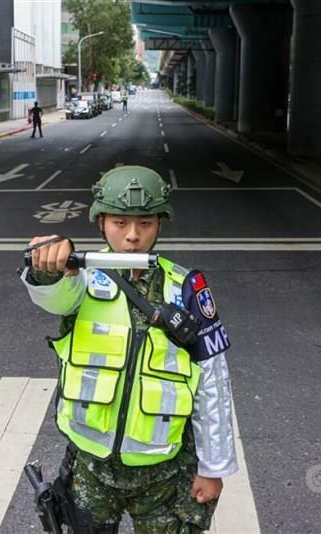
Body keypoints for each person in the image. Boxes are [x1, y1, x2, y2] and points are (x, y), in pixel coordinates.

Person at [21, 166, 238, 533]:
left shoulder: (186, 288)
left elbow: (213, 382)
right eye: (120, 223)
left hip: (164, 474)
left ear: (160, 223)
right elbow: (54, 294)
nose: (133, 236)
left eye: (145, 223)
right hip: (90, 467)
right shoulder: (81, 277)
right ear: (101, 221)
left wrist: (212, 468)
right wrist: (48, 265)